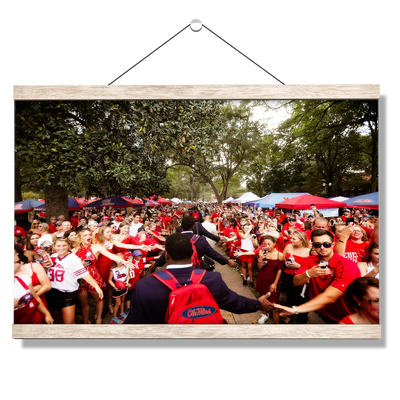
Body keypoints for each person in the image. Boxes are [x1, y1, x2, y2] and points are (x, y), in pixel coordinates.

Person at [124, 233, 275, 324]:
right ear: (192, 255)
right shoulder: (212, 279)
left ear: (167, 255)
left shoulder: (144, 286)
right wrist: (258, 304)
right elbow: (236, 303)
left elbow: (134, 324)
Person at [273, 229, 361, 323]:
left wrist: (295, 310)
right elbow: (296, 282)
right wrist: (309, 273)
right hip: (317, 315)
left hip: (342, 319)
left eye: (326, 244)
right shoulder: (309, 260)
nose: (322, 247)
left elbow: (330, 297)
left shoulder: (347, 266)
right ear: (313, 246)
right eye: (317, 245)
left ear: (333, 244)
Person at [42, 238, 104, 324]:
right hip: (52, 292)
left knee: (69, 322)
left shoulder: (73, 258)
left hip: (67, 294)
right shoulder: (52, 257)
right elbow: (44, 274)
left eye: (64, 245)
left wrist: (96, 287)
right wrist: (44, 267)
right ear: (54, 247)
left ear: (68, 246)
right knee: (56, 318)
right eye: (58, 246)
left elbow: (84, 274)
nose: (61, 248)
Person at [151, 215, 238, 272]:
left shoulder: (173, 239)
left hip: (176, 272)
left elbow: (165, 255)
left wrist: (156, 264)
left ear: (181, 227)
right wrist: (227, 261)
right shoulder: (201, 240)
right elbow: (213, 254)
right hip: (196, 271)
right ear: (193, 227)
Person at [12, 246, 54, 324]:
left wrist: (47, 314)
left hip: (32, 318)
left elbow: (35, 297)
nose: (21, 262)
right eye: (18, 262)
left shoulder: (24, 278)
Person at [73, 229, 105, 324]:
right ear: (80, 238)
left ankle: (99, 319)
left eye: (89, 234)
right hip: (81, 280)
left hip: (94, 278)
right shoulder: (74, 250)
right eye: (85, 235)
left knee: (98, 299)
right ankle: (86, 322)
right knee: (84, 304)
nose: (88, 236)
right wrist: (80, 264)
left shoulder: (95, 247)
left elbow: (110, 255)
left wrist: (122, 261)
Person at [253, 235, 284, 324]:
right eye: (264, 244)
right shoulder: (261, 253)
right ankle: (265, 314)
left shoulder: (280, 255)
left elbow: (279, 270)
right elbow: (259, 268)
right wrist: (260, 259)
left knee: (275, 306)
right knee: (263, 299)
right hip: (262, 279)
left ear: (274, 244)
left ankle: (277, 325)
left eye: (269, 244)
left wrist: (275, 283)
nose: (266, 246)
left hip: (272, 281)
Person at [281, 230, 311, 324]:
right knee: (289, 296)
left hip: (300, 278)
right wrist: (285, 262)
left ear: (302, 240)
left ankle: (299, 318)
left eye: (294, 239)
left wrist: (298, 266)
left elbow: (311, 267)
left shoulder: (308, 250)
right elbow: (283, 257)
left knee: (299, 298)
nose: (291, 240)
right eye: (291, 238)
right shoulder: (288, 246)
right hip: (287, 275)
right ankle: (289, 316)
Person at [108, 253, 129, 324]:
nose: (120, 262)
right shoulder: (113, 269)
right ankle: (113, 318)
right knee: (118, 303)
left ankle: (122, 313)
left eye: (121, 260)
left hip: (124, 287)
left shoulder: (126, 267)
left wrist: (127, 281)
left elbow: (128, 276)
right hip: (117, 288)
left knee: (123, 300)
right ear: (115, 260)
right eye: (118, 260)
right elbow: (109, 280)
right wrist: (114, 287)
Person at [237, 221, 258, 288]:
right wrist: (249, 229)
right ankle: (245, 279)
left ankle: (251, 281)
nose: (245, 229)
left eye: (247, 228)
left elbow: (256, 246)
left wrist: (253, 241)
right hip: (243, 251)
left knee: (250, 268)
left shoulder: (253, 235)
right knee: (244, 266)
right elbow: (244, 237)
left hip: (250, 252)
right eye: (244, 228)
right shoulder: (241, 233)